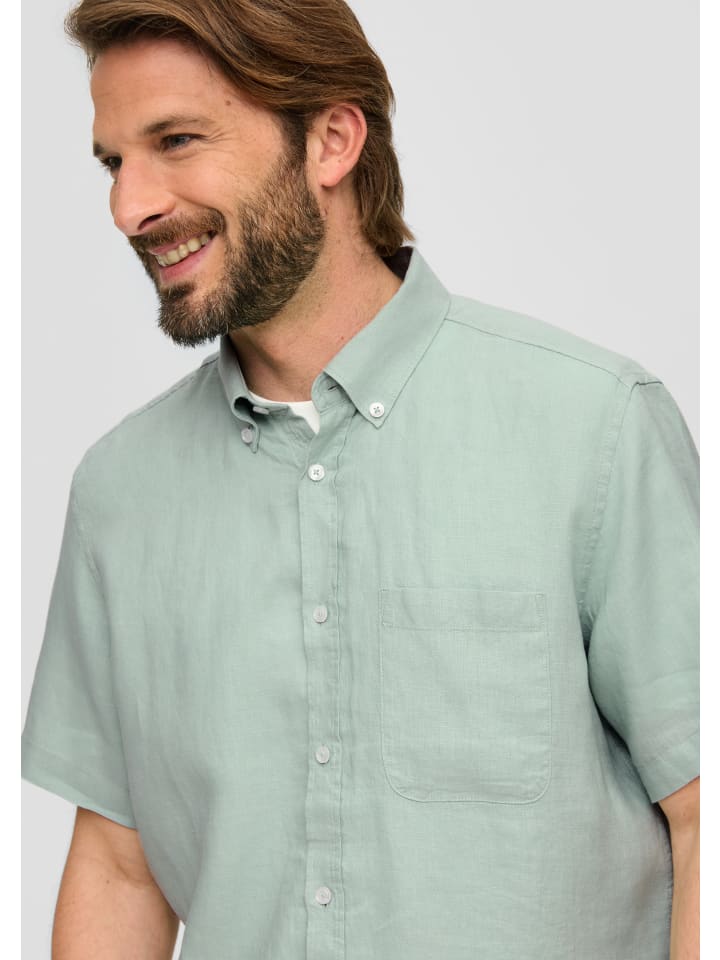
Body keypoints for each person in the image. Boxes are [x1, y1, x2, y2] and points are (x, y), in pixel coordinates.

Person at [21, 1, 699, 958]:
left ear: (332, 140)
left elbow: (701, 810)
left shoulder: (595, 427)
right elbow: (121, 867)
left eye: (175, 141)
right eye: (113, 162)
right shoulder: (119, 493)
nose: (131, 207)